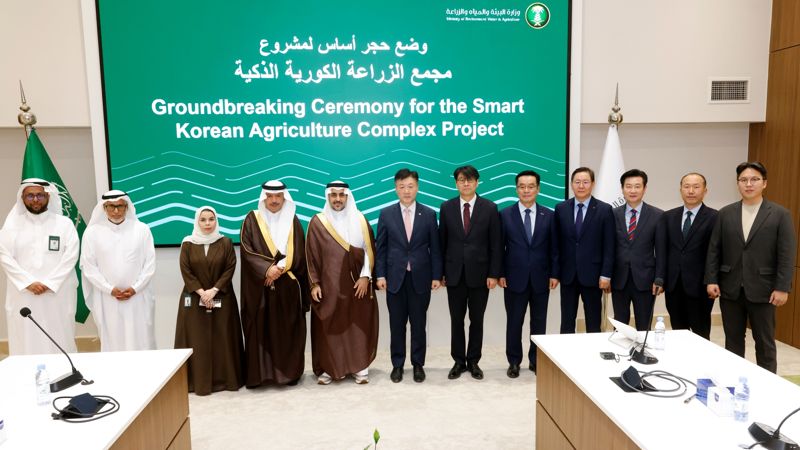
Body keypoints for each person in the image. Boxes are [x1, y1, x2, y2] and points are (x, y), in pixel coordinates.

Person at [706, 162, 797, 373]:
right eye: (744, 180)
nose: (749, 184)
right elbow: (714, 250)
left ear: (764, 183)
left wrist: (782, 287)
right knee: (732, 343)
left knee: (765, 343)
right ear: (737, 183)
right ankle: (734, 381)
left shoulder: (780, 214)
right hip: (730, 288)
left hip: (765, 290)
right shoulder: (725, 213)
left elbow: (786, 255)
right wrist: (711, 279)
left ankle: (767, 385)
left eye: (754, 179)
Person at [306, 181, 378, 385]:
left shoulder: (360, 220)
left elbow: (369, 251)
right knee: (330, 328)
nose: (337, 199)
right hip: (328, 288)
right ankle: (330, 369)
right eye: (333, 195)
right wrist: (314, 284)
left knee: (357, 327)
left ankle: (359, 368)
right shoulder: (317, 222)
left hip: (356, 286)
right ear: (328, 197)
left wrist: (365, 277)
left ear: (347, 196)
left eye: (341, 195)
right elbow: (311, 256)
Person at [375, 168, 442, 383]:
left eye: (410, 186)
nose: (406, 191)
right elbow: (381, 248)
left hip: (421, 278)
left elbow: (435, 248)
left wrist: (436, 275)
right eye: (402, 186)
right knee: (397, 324)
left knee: (418, 324)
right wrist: (380, 275)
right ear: (396, 189)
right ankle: (397, 365)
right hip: (394, 278)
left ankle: (418, 364)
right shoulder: (386, 214)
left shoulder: (429, 214)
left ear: (417, 187)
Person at [240, 181, 309, 386]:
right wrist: (266, 269)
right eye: (269, 196)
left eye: (278, 196)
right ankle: (259, 376)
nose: (274, 200)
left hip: (287, 286)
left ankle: (289, 374)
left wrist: (278, 268)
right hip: (259, 288)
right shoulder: (252, 219)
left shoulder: (293, 221)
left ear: (284, 198)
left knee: (286, 331)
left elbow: (299, 250)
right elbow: (246, 249)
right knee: (260, 330)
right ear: (264, 198)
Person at [0, 179, 78, 355]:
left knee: (59, 335)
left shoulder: (64, 224)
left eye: (40, 195)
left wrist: (50, 283)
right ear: (22, 198)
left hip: (57, 293)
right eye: (30, 196)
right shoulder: (11, 226)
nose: (35, 199)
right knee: (26, 337)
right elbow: (4, 256)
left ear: (48, 196)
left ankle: (63, 369)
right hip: (23, 294)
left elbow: (71, 256)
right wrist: (27, 282)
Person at [439, 165, 502, 380]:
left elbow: (496, 244)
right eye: (461, 180)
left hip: (481, 275)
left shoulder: (490, 208)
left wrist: (493, 274)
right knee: (456, 320)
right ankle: (458, 361)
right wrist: (441, 273)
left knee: (477, 320)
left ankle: (474, 361)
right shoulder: (446, 207)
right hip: (454, 274)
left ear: (477, 182)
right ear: (456, 183)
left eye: (470, 180)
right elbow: (442, 242)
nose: (465, 183)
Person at [175, 205, 244, 395]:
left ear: (216, 221)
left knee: (224, 339)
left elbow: (230, 268)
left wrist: (213, 291)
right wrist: (201, 292)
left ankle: (226, 380)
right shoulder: (187, 243)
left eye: (211, 219)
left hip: (222, 296)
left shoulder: (226, 242)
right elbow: (186, 270)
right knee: (196, 340)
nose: (207, 223)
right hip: (193, 298)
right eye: (203, 220)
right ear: (197, 221)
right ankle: (196, 382)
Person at [499, 170, 559, 376]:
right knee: (514, 322)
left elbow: (554, 248)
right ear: (516, 189)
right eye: (522, 186)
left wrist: (554, 274)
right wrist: (500, 273)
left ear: (538, 189)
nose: (526, 190)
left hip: (541, 278)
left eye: (531, 186)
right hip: (513, 278)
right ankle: (514, 362)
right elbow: (499, 248)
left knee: (539, 323)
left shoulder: (549, 215)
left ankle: (536, 360)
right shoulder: (505, 214)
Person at [80, 190, 156, 351]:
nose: (116, 211)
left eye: (120, 206)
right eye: (111, 206)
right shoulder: (92, 233)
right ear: (104, 207)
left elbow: (149, 264)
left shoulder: (142, 230)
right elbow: (89, 266)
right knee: (113, 341)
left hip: (138, 297)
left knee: (140, 339)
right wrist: (109, 289)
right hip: (107, 298)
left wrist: (135, 288)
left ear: (127, 207)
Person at [554, 167, 614, 333]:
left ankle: (593, 350)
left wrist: (606, 274)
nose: (581, 186)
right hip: (568, 275)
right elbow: (556, 244)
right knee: (567, 322)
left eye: (585, 182)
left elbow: (609, 245)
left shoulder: (604, 210)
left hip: (593, 276)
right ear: (571, 184)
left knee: (593, 323)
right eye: (577, 182)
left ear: (593, 184)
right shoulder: (561, 208)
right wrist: (555, 273)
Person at [660, 173, 718, 339]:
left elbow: (716, 252)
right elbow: (663, 251)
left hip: (701, 286)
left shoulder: (715, 217)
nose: (691, 191)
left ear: (705, 191)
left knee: (701, 333)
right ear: (681, 190)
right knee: (678, 332)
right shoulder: (668, 217)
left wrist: (713, 280)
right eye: (686, 186)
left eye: (696, 187)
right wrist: (661, 279)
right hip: (674, 285)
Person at [611, 169, 665, 331]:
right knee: (619, 324)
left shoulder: (657, 215)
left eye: (637, 186)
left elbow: (661, 251)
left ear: (644, 188)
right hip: (619, 279)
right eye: (628, 186)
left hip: (645, 279)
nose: (632, 190)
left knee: (644, 324)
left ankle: (642, 348)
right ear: (622, 189)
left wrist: (659, 279)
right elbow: (608, 248)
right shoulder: (612, 214)